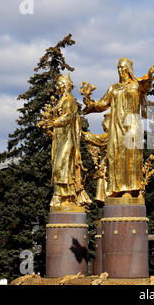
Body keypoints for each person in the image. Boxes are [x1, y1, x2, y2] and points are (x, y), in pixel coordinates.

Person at [83, 58, 154, 198]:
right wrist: (89, 101)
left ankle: (131, 189)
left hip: (132, 127)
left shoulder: (136, 85)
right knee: (115, 157)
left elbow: (146, 86)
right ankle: (117, 187)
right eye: (118, 68)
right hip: (116, 128)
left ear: (129, 69)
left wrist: (150, 76)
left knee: (131, 157)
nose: (120, 71)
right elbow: (102, 104)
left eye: (123, 68)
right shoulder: (114, 88)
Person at [49, 74, 91, 207]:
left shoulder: (70, 100)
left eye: (60, 83)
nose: (58, 86)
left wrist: (53, 122)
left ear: (66, 85)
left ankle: (67, 195)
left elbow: (67, 117)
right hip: (59, 137)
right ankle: (60, 194)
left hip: (67, 138)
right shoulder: (61, 99)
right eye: (58, 84)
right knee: (56, 165)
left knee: (63, 164)